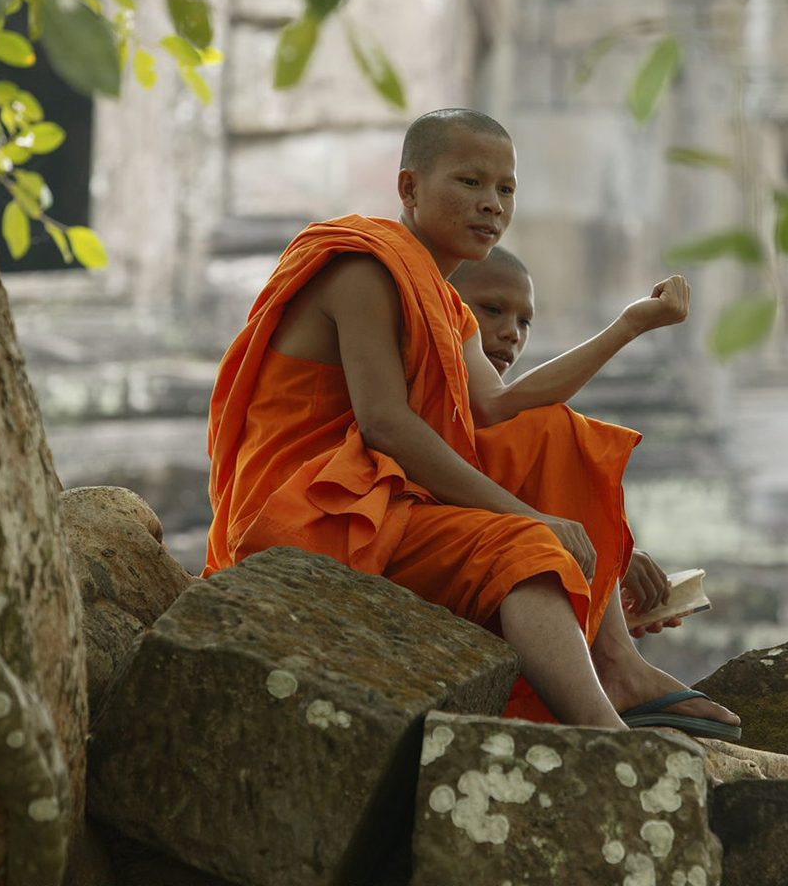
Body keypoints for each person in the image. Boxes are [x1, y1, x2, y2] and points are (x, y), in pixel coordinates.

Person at [205, 108, 738, 738]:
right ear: (409, 188)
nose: (492, 204)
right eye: (469, 183)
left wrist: (628, 327)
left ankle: (618, 662)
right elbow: (386, 425)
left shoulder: (446, 304)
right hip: (316, 510)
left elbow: (500, 406)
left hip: (381, 494)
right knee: (528, 548)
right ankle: (604, 735)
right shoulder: (364, 270)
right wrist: (528, 516)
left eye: (505, 189)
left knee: (552, 430)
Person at [447, 246, 683, 638]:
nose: (512, 333)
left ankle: (615, 656)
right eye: (492, 310)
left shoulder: (499, 426)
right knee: (551, 425)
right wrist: (628, 326)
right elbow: (498, 407)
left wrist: (612, 568)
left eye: (525, 323)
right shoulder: (441, 399)